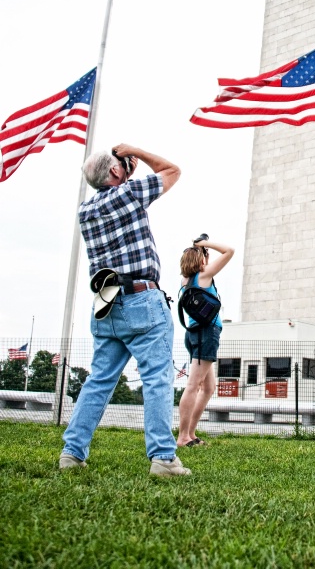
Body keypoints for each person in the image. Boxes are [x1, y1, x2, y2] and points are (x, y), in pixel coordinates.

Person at [60, 144, 191, 477]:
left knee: (99, 380)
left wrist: (121, 169)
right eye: (121, 165)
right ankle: (162, 457)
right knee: (157, 379)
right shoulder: (129, 193)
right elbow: (172, 171)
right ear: (117, 172)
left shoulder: (85, 210)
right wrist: (134, 151)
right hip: (141, 298)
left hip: (106, 300)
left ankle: (72, 453)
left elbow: (113, 190)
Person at [176, 237, 234, 447]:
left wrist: (200, 251)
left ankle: (190, 434)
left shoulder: (185, 280)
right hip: (206, 334)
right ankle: (183, 437)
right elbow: (229, 251)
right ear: (201, 261)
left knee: (208, 388)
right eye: (205, 258)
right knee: (193, 385)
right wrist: (206, 244)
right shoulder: (204, 276)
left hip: (195, 334)